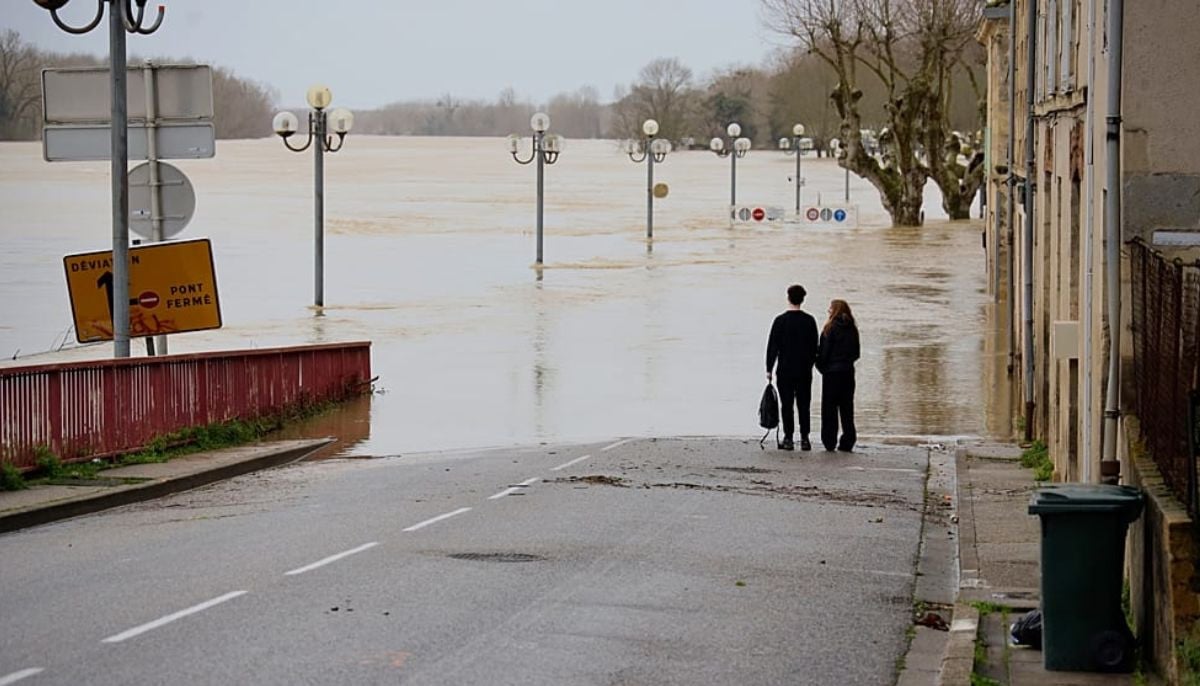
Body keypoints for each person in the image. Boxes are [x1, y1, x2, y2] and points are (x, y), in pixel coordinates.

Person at [765, 285, 818, 451]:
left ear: (788, 298)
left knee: (786, 404)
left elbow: (772, 346)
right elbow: (814, 347)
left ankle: (788, 438)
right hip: (804, 370)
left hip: (785, 369)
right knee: (804, 404)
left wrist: (769, 368)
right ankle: (805, 439)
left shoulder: (780, 321)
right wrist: (810, 364)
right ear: (803, 299)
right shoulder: (809, 321)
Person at [817, 299, 861, 452]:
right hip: (848, 372)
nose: (828, 311)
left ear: (834, 310)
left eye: (830, 308)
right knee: (847, 408)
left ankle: (829, 441)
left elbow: (824, 352)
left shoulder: (829, 328)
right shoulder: (852, 329)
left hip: (831, 374)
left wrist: (821, 366)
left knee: (829, 408)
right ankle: (848, 440)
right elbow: (856, 353)